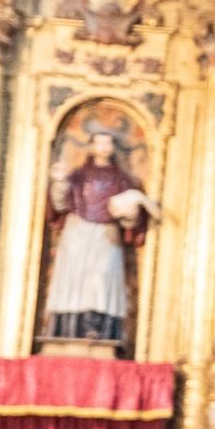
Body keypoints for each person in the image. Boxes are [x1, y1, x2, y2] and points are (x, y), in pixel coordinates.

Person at [42, 131, 161, 343]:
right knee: (74, 280)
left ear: (113, 147)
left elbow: (133, 221)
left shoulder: (123, 180)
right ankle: (67, 329)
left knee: (103, 277)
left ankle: (99, 329)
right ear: (91, 146)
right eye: (99, 143)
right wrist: (59, 183)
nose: (104, 147)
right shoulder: (77, 176)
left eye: (108, 143)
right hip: (77, 233)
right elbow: (59, 205)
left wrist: (130, 215)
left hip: (106, 236)